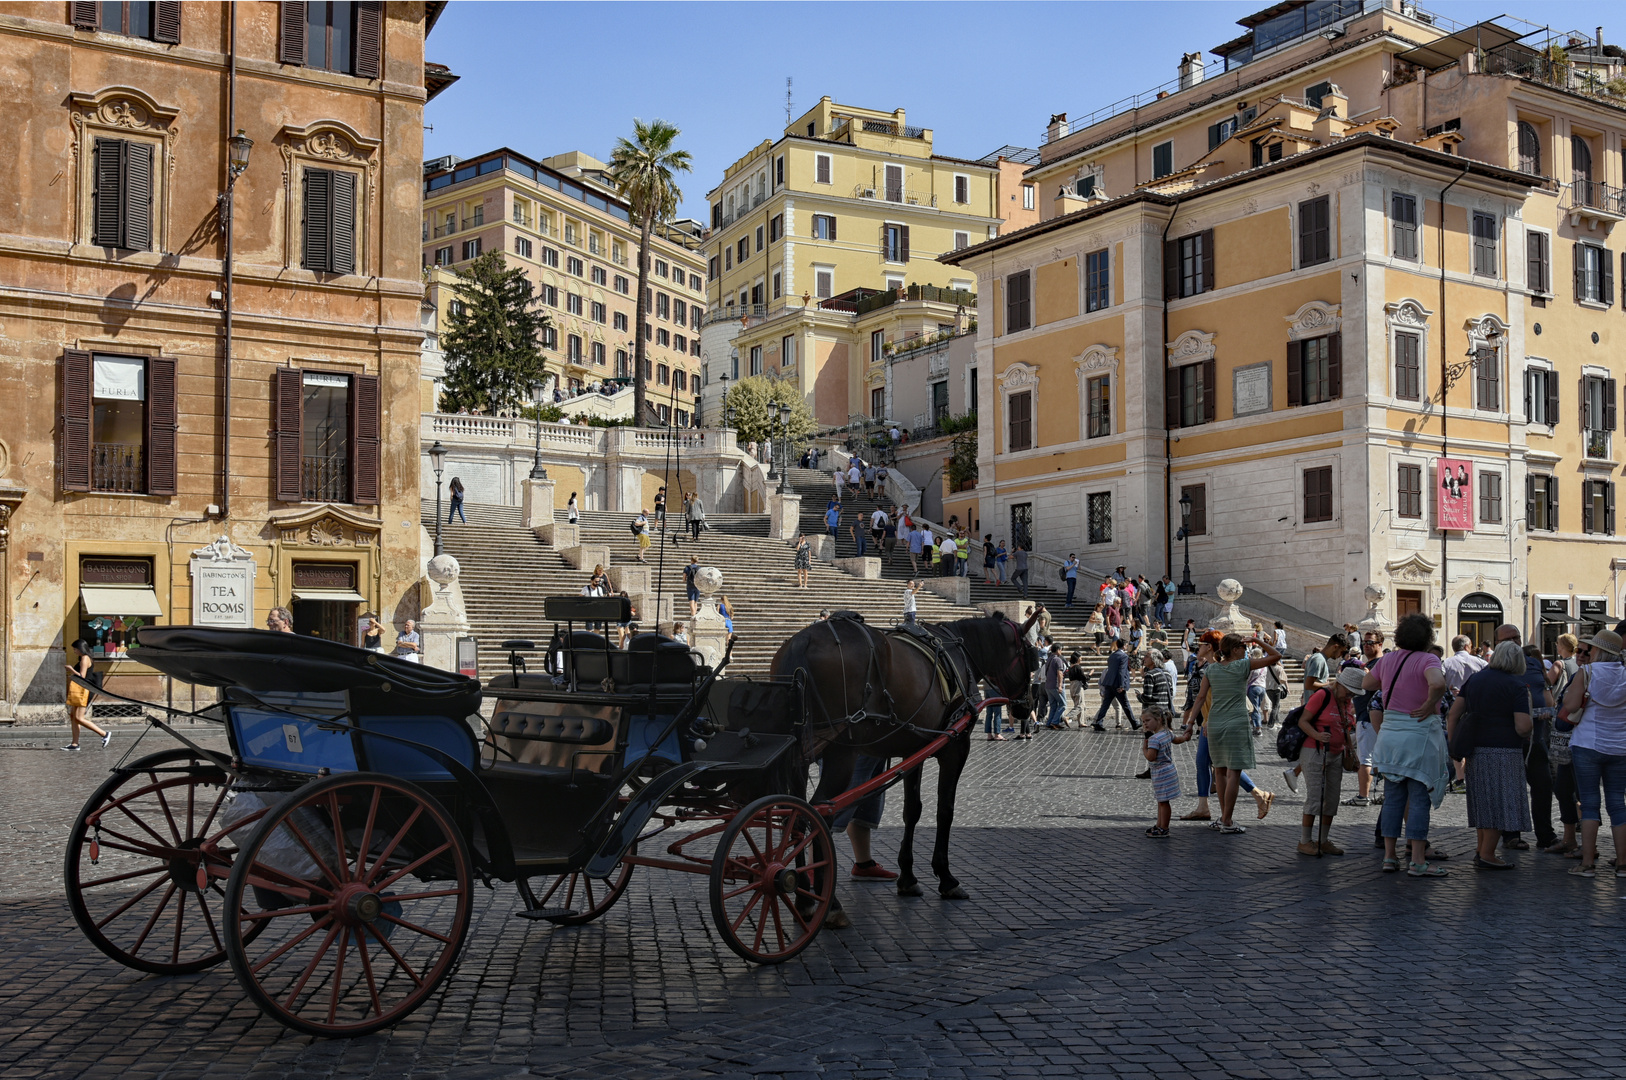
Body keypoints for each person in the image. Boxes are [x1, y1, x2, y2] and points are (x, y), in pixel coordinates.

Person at [1365, 613, 1450, 877]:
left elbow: (1368, 683)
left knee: (1393, 799)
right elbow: (1438, 682)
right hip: (1418, 734)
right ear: (1427, 638)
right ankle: (1417, 860)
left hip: (1390, 734)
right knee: (1418, 799)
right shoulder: (1428, 658)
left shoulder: (1389, 659)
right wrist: (1427, 703)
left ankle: (1390, 857)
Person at [1449, 640, 1535, 870]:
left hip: (1476, 750)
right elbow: (1523, 726)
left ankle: (1481, 850)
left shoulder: (1475, 680)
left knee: (1483, 803)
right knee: (1500, 803)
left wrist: (1453, 743)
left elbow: (1453, 714)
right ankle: (1487, 854)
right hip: (1505, 750)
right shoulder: (1516, 686)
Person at [1187, 632, 1280, 833]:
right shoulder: (1242, 665)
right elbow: (1275, 656)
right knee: (1234, 772)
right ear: (1236, 649)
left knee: (1219, 771)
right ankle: (1227, 821)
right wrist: (1257, 640)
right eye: (1244, 648)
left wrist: (1190, 722)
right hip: (1236, 723)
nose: (1246, 652)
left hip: (1215, 723)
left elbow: (1201, 698)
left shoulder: (1211, 669)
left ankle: (1224, 817)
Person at [1559, 629, 1626, 879]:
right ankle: (1623, 864)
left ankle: (1587, 863)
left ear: (1598, 650)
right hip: (1620, 746)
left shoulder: (1586, 673)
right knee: (1618, 804)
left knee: (1589, 804)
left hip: (1588, 744)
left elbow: (1572, 705)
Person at [1295, 668, 1363, 856]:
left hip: (1336, 753)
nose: (1350, 695)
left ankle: (1323, 840)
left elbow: (1345, 727)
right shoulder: (1322, 695)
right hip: (1315, 751)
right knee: (1316, 797)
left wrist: (1351, 752)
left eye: (1353, 693)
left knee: (1332, 799)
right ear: (1339, 684)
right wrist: (1317, 735)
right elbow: (1303, 721)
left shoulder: (1346, 701)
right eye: (1349, 691)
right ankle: (1305, 841)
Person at [1548, 633, 1582, 854]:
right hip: (1568, 736)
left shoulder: (1568, 667)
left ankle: (1585, 845)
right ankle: (1570, 838)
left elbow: (1569, 704)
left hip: (1578, 738)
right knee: (1563, 788)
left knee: (1581, 792)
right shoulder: (1579, 670)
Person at [1142, 707, 1189, 837]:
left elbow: (1151, 756)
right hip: (1169, 770)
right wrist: (1185, 737)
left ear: (1158, 720)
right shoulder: (1168, 733)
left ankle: (1164, 827)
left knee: (1163, 802)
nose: (1145, 724)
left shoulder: (1154, 739)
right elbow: (1177, 740)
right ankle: (1159, 824)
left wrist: (1144, 749)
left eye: (1147, 720)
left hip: (1161, 772)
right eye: (1143, 721)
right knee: (1161, 800)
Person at [63, 639, 112, 751]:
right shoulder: (82, 658)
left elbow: (82, 676)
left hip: (84, 691)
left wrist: (71, 670)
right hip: (80, 690)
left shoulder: (85, 658)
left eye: (75, 649)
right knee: (73, 716)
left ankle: (104, 734)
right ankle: (75, 744)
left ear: (81, 648)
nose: (74, 651)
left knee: (79, 718)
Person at [1091, 639, 1137, 731]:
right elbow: (1121, 671)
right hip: (1117, 684)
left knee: (1105, 704)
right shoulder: (1124, 656)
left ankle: (1098, 722)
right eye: (1127, 645)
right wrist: (1121, 685)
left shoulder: (1112, 655)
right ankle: (1134, 723)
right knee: (1125, 704)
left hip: (1109, 683)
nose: (1127, 646)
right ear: (1124, 646)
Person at [1042, 637, 1067, 730]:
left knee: (1053, 705)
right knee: (1063, 704)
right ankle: (1055, 721)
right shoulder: (1058, 660)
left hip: (1048, 685)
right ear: (1059, 650)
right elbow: (1060, 673)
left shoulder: (1049, 659)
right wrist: (1060, 686)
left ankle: (1049, 722)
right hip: (1055, 685)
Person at [1066, 651, 1091, 722]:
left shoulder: (1070, 668)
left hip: (1072, 686)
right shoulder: (1078, 667)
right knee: (1080, 705)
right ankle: (1068, 716)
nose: (1081, 659)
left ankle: (1081, 722)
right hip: (1078, 687)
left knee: (1078, 704)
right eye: (1081, 658)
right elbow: (1084, 678)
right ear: (1077, 659)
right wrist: (1090, 674)